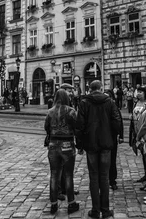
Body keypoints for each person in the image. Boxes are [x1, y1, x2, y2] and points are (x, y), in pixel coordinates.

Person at [76, 80, 122, 219]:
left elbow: (79, 126)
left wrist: (80, 145)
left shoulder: (84, 103)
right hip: (106, 144)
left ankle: (95, 210)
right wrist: (113, 136)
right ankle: (106, 210)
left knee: (94, 177)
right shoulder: (110, 102)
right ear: (101, 88)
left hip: (91, 145)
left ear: (90, 89)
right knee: (104, 176)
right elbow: (117, 121)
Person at [44, 89, 81, 215]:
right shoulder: (71, 111)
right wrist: (79, 144)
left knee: (54, 175)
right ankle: (71, 203)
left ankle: (53, 204)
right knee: (69, 175)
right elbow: (77, 127)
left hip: (53, 145)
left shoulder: (50, 111)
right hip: (67, 144)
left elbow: (46, 127)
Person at [104, 89, 124, 191]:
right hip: (102, 137)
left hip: (111, 137)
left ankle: (112, 180)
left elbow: (119, 121)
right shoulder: (100, 107)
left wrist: (121, 135)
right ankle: (104, 180)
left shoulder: (114, 106)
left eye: (108, 96)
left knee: (112, 159)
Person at [130, 85, 146, 184]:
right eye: (138, 92)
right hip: (136, 129)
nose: (138, 94)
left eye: (141, 92)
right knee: (142, 153)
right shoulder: (135, 103)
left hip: (144, 132)